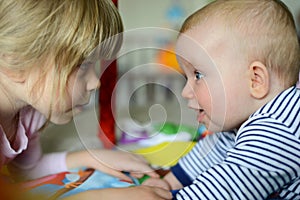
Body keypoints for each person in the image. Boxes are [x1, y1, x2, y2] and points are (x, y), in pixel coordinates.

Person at [0, 0, 172, 199]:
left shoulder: (29, 114)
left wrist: (92, 156)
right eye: (82, 65)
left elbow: (26, 170)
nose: (95, 82)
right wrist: (102, 196)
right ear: (15, 63)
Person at [143, 0, 300, 199]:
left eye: (197, 75)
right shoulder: (238, 121)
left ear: (255, 80)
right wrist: (166, 183)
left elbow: (221, 192)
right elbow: (205, 156)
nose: (185, 91)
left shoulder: (278, 128)